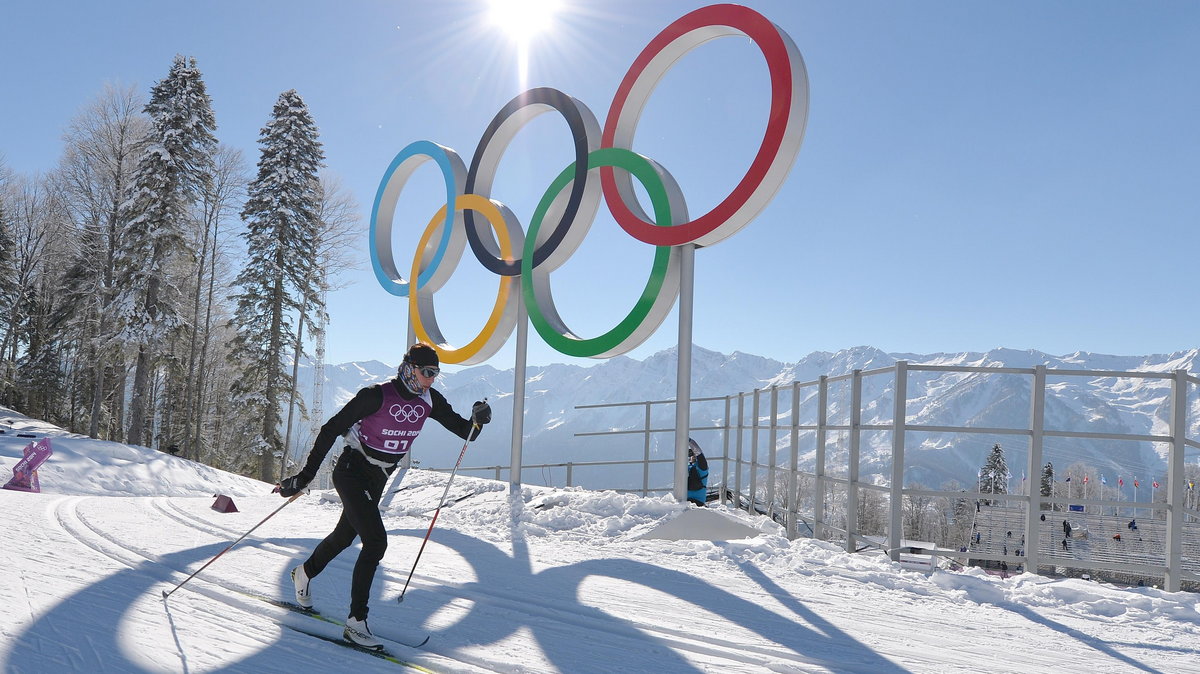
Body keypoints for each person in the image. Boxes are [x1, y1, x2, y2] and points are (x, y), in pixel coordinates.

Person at [276, 343, 491, 649]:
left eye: (435, 374)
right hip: (351, 471)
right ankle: (356, 623)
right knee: (376, 541)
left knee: (343, 536)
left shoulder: (430, 400)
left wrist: (479, 419)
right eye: (426, 372)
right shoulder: (376, 395)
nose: (431, 379)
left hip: (377, 478)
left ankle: (304, 573)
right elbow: (330, 429)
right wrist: (304, 478)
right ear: (409, 368)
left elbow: (465, 432)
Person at [686, 438, 709, 507]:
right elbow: (699, 455)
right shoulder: (703, 469)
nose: (692, 456)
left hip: (685, 500)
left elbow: (699, 453)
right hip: (699, 501)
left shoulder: (701, 468)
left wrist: (688, 440)